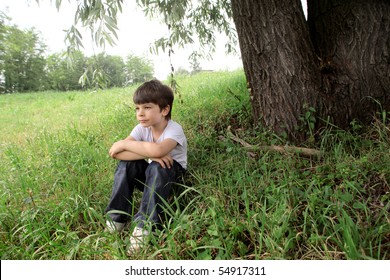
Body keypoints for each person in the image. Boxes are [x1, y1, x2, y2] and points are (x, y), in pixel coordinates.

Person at [105, 79, 187, 253]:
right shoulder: (141, 128)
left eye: (147, 107)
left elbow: (158, 150)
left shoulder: (174, 129)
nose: (140, 113)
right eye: (137, 108)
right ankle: (116, 218)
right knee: (127, 164)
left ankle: (145, 227)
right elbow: (116, 152)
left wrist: (127, 145)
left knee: (159, 166)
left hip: (172, 177)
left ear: (165, 110)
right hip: (151, 174)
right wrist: (149, 154)